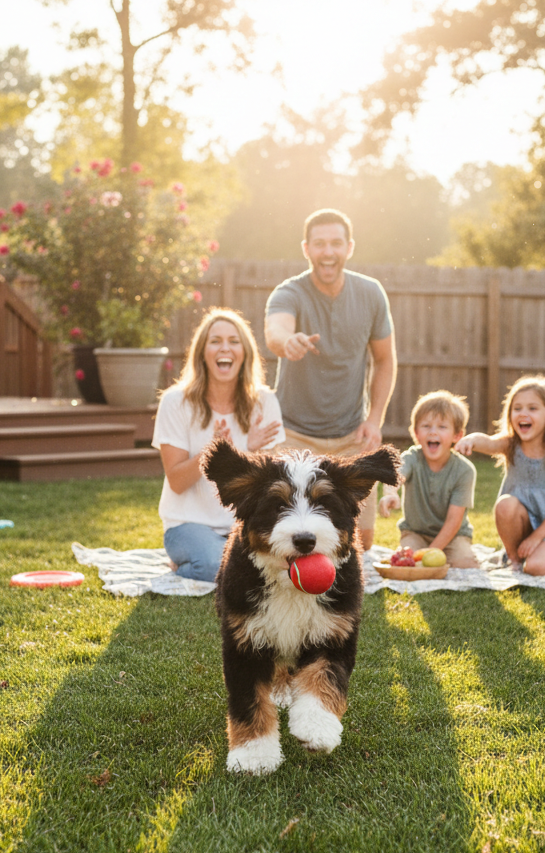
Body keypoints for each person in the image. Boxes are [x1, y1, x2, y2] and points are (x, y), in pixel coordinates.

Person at [264, 208, 397, 552]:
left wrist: (375, 419)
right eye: (319, 244)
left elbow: (385, 360)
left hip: (352, 437)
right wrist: (287, 341)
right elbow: (275, 331)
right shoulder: (289, 292)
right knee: (290, 537)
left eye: (336, 243)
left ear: (349, 247)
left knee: (357, 544)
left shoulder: (370, 293)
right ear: (306, 248)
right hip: (292, 435)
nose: (328, 252)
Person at [152, 308, 285, 581]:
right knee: (217, 566)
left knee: (275, 569)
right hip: (187, 525)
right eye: (215, 341)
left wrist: (251, 450)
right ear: (202, 352)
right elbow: (176, 481)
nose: (225, 348)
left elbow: (274, 484)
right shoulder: (175, 402)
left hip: (241, 523)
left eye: (234, 341)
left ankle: (215, 557)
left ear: (245, 352)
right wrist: (213, 452)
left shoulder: (264, 401)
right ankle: (188, 564)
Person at [456, 375, 545, 576]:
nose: (523, 414)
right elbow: (488, 442)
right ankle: (514, 560)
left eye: (532, 408)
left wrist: (536, 538)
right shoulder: (511, 444)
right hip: (524, 523)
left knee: (535, 568)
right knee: (505, 504)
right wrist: (471, 440)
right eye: (517, 408)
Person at [378, 389, 478, 569]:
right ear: (416, 433)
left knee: (466, 564)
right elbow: (395, 474)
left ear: (457, 435)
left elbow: (454, 522)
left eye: (442, 427)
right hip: (415, 533)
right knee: (405, 563)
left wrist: (429, 554)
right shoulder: (411, 458)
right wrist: (391, 494)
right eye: (426, 426)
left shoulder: (464, 471)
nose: (433, 432)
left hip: (454, 536)